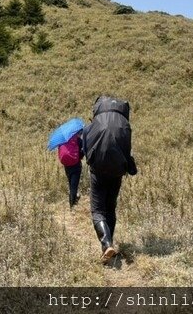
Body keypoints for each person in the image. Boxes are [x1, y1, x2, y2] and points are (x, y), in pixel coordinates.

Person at [83, 95, 137, 264]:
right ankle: (109, 246)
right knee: (110, 207)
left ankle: (106, 244)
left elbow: (86, 150)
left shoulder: (91, 127)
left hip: (98, 172)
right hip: (117, 172)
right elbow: (127, 151)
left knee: (97, 210)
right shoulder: (124, 126)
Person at [57, 130, 83, 209]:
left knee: (70, 183)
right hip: (76, 164)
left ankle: (73, 198)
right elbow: (82, 152)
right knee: (74, 185)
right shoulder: (78, 140)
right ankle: (72, 206)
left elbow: (60, 151)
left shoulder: (62, 140)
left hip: (67, 165)